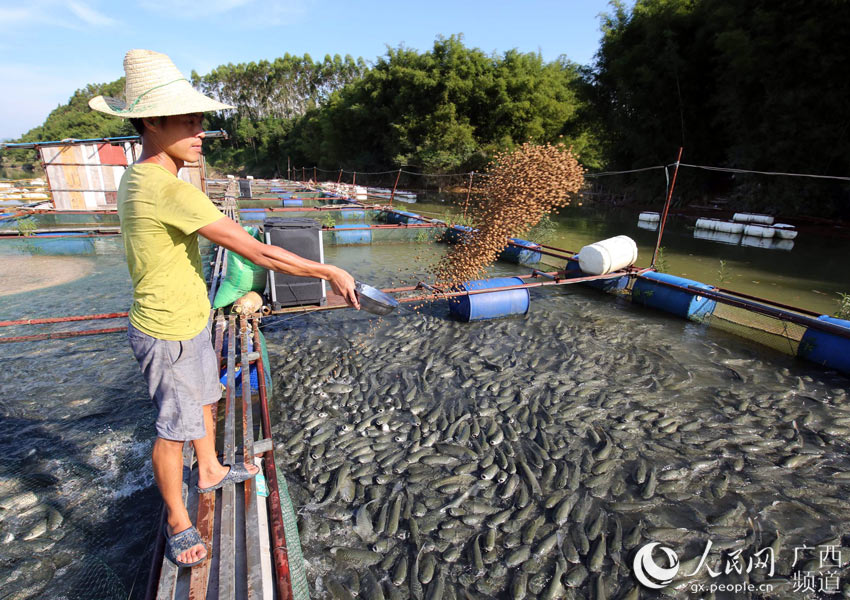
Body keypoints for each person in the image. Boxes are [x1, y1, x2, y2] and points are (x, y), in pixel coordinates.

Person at [89, 49, 359, 568]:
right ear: (151, 122)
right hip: (167, 329)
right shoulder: (166, 189)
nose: (199, 132)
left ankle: (210, 468)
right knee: (173, 429)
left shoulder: (140, 176)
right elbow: (257, 252)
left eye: (200, 121)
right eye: (187, 122)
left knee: (206, 400)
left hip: (190, 318)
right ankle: (177, 520)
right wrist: (328, 272)